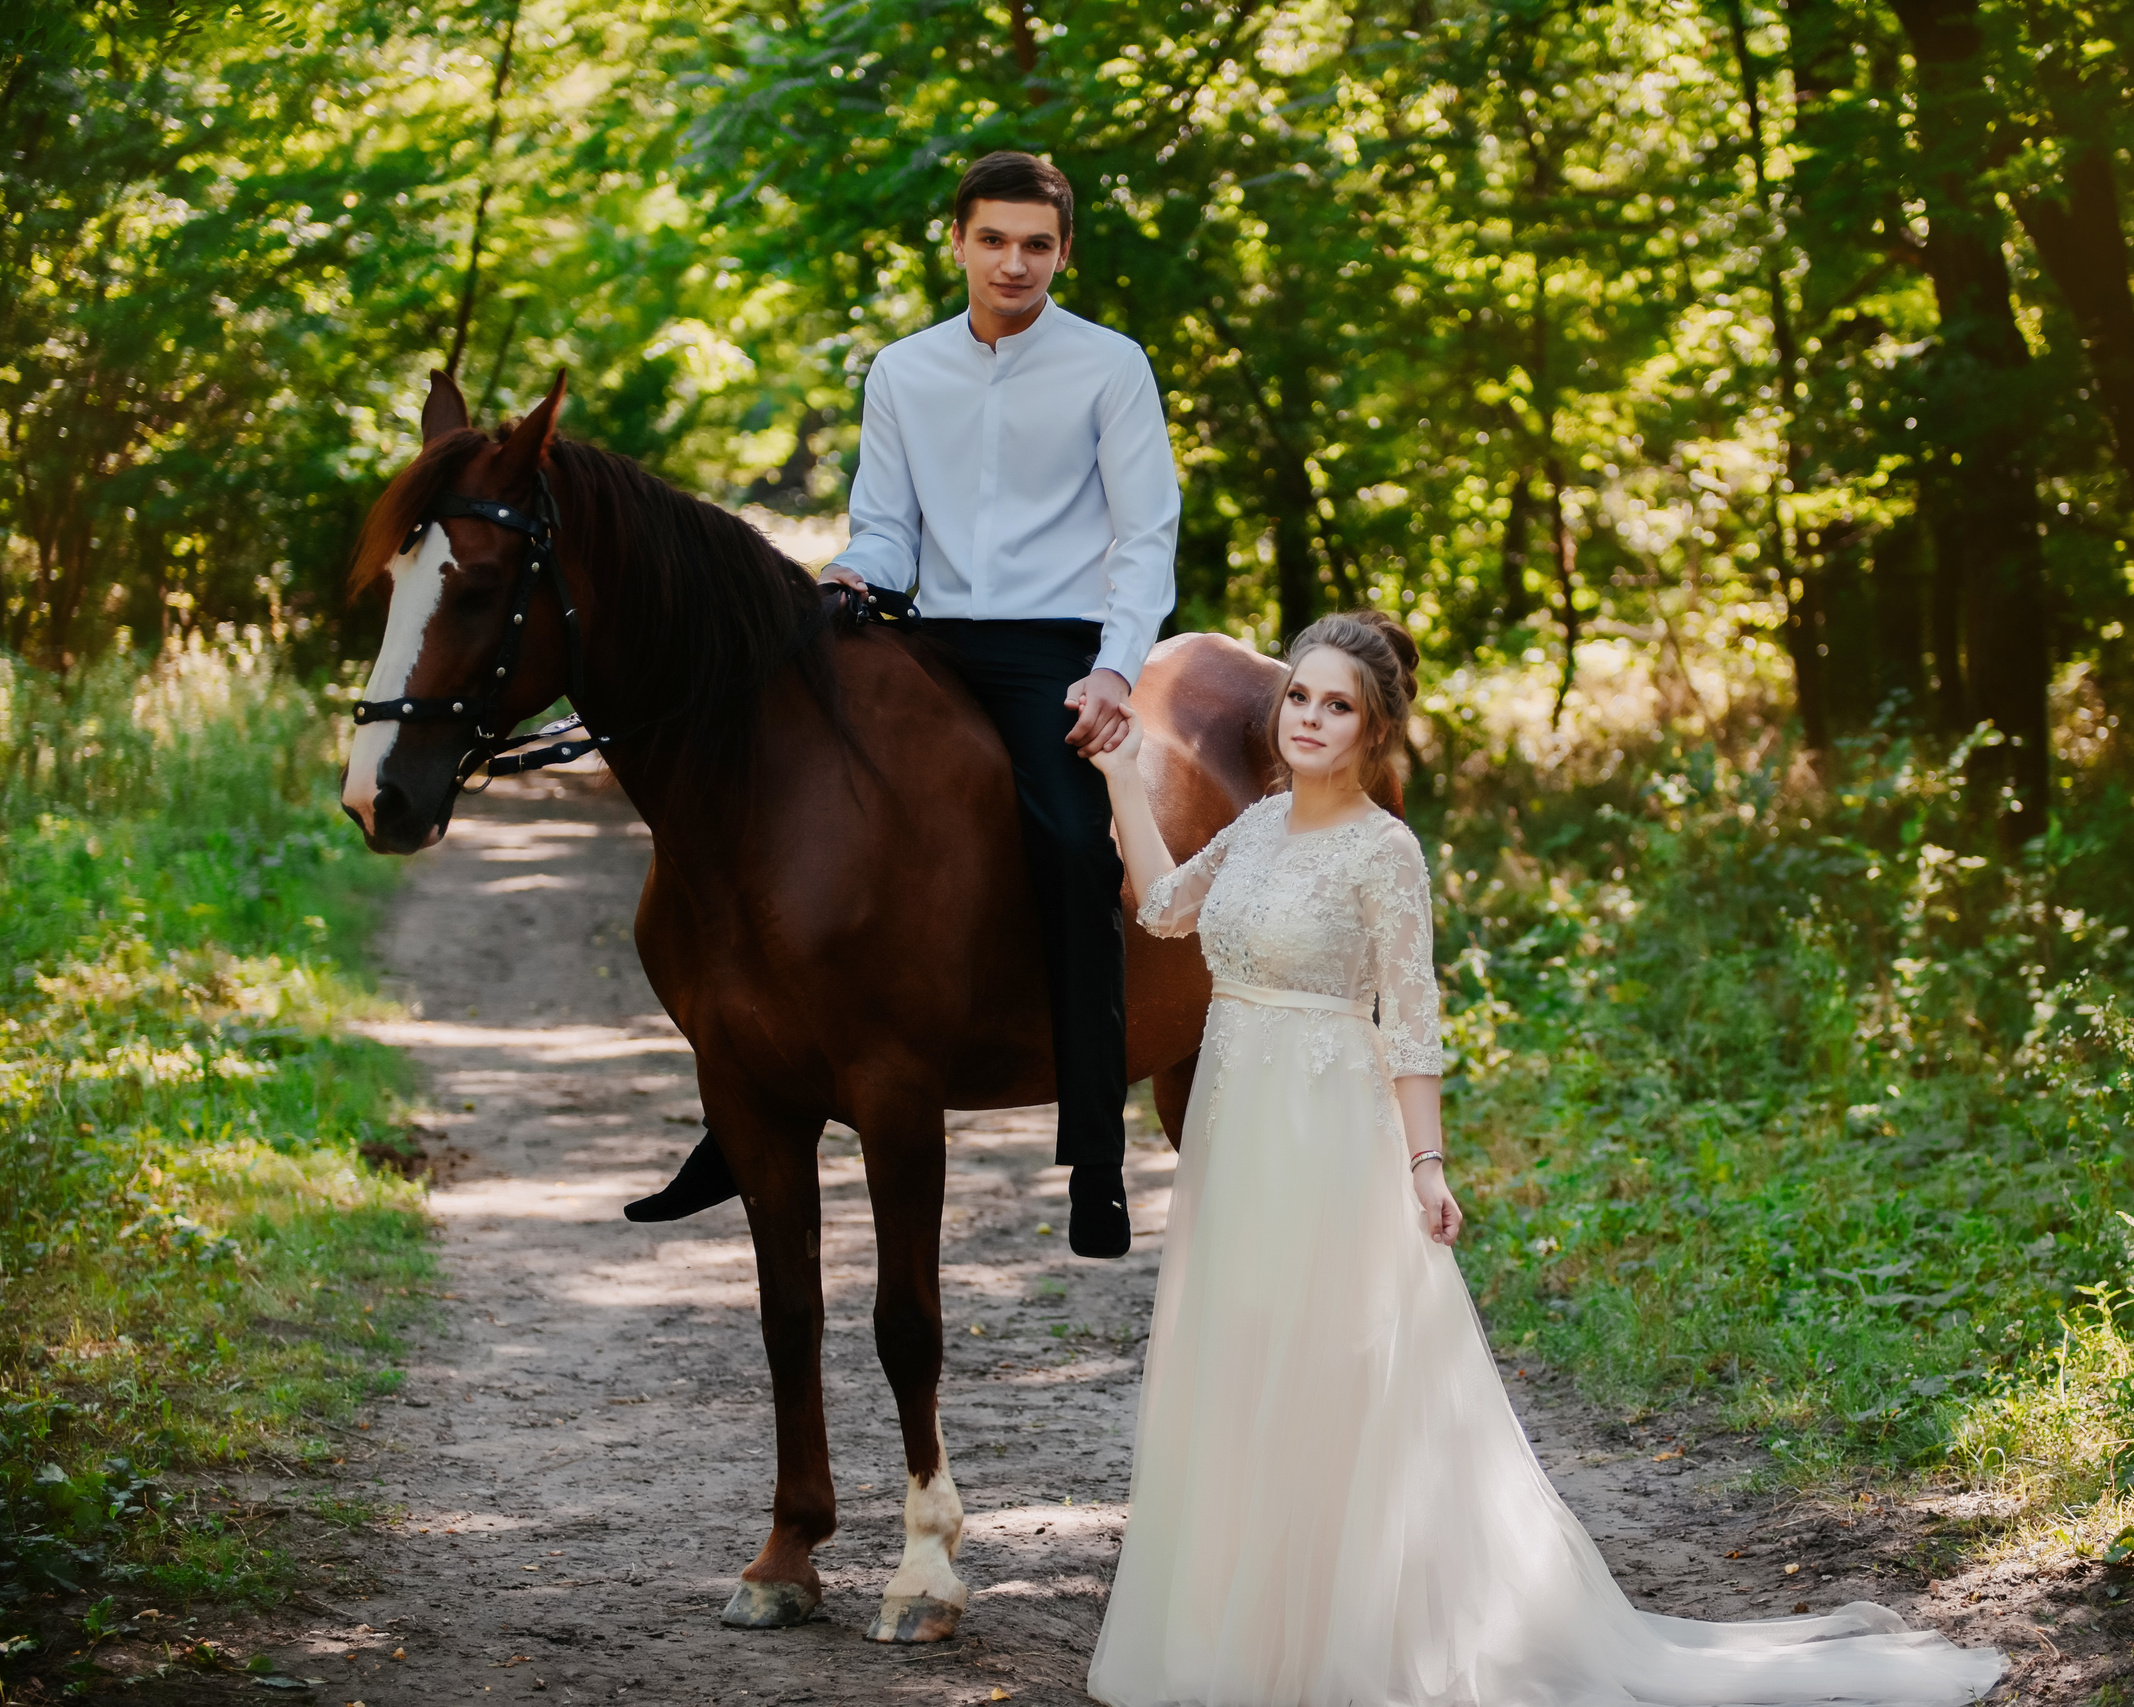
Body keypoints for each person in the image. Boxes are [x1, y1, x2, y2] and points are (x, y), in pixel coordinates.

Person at [1082, 610, 2007, 1707]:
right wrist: (1123, 776)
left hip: (1326, 1139)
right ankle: (1235, 1636)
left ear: (1374, 730)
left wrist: (1426, 1164)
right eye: (1300, 698)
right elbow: (1163, 909)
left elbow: (1411, 1024)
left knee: (1328, 1371)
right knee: (1238, 1360)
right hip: (1235, 1142)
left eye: (1338, 706)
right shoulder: (1255, 826)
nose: (1311, 720)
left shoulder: (1385, 852)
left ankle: (1350, 1637)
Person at [627, 151, 1178, 1252]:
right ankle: (740, 1101)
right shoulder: (904, 369)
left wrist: (1115, 668)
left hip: (1053, 651)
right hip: (921, 636)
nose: (1013, 262)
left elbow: (1145, 533)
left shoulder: (1110, 367)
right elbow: (885, 528)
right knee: (771, 797)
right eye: (994, 239)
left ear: (1063, 252)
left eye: (1036, 244)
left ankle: (1094, 1148)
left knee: (1076, 845)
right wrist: (848, 573)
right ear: (958, 242)